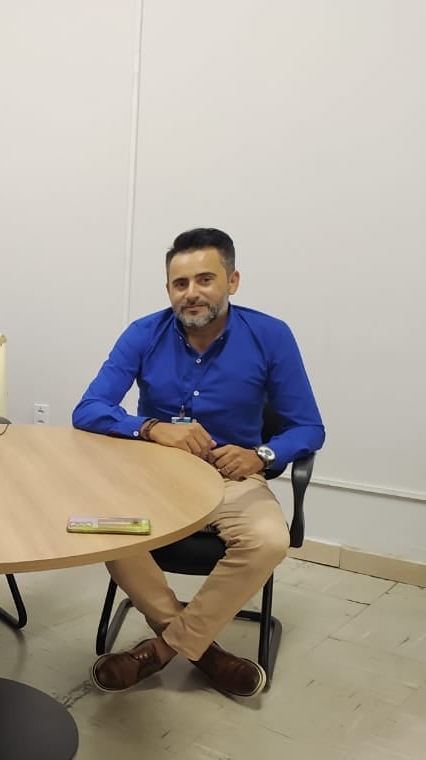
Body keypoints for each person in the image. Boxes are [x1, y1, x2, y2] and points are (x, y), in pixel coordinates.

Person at [72, 227, 325, 698]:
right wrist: (149, 428)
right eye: (180, 283)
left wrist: (262, 454)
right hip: (155, 477)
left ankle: (159, 651)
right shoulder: (143, 333)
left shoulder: (270, 335)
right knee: (102, 526)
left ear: (233, 281)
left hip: (233, 479)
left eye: (205, 279)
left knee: (270, 540)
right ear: (169, 289)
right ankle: (202, 651)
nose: (192, 294)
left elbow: (309, 427)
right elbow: (88, 409)